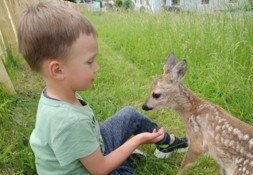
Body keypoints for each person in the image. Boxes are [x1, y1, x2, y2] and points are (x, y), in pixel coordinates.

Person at [17, 1, 187, 175]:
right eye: (90, 62)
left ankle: (167, 142)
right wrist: (138, 140)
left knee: (129, 114)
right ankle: (124, 157)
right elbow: (100, 169)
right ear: (58, 70)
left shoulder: (55, 96)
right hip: (96, 169)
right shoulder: (70, 121)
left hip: (94, 151)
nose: (97, 67)